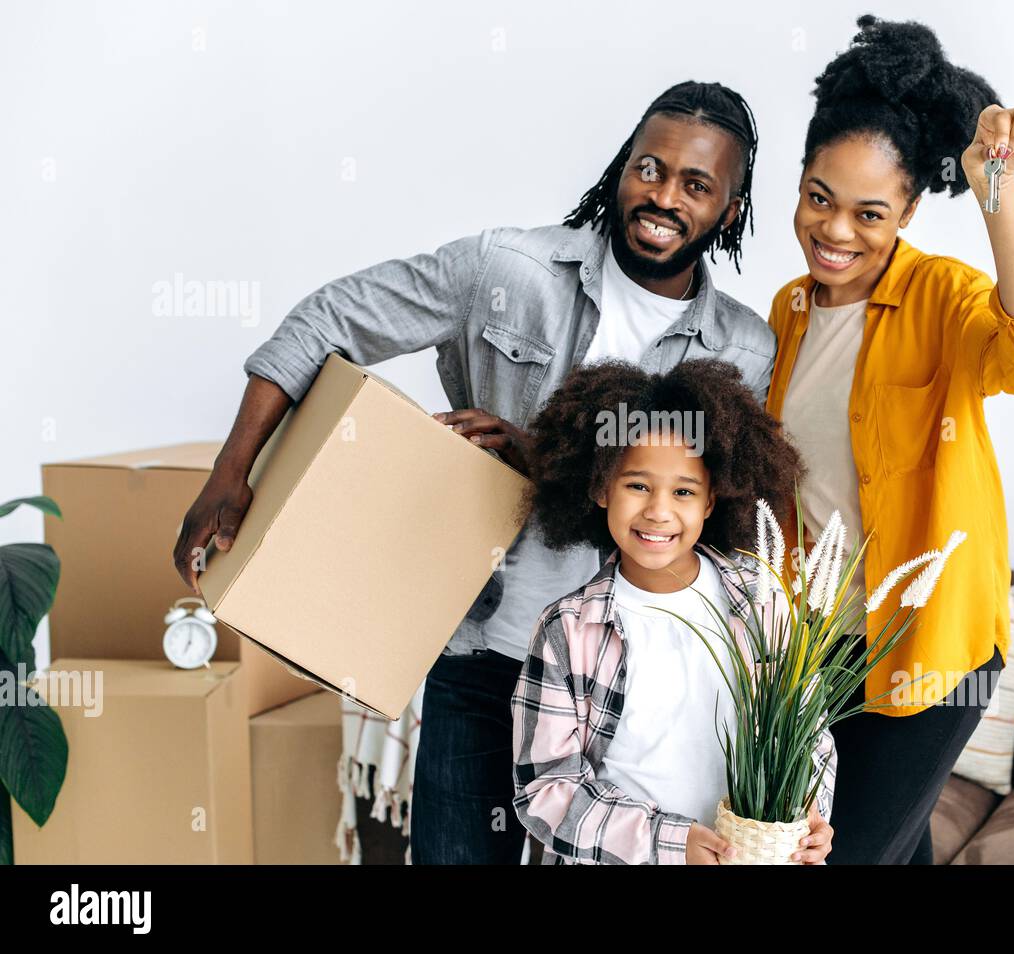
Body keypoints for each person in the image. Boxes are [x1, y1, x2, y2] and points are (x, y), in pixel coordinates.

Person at [171, 81, 777, 864]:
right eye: (649, 169)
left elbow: (701, 517)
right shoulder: (507, 269)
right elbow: (329, 319)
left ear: (729, 210)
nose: (663, 196)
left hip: (628, 676)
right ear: (621, 169)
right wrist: (231, 470)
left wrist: (547, 454)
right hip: (483, 651)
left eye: (697, 184)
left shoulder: (742, 349)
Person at [764, 14, 1014, 863]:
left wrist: (996, 190)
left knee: (850, 853)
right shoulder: (786, 313)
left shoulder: (940, 295)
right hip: (820, 649)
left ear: (905, 210)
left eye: (870, 213)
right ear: (799, 182)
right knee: (884, 849)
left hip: (934, 645)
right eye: (820, 199)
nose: (836, 231)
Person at [511, 358, 834, 864]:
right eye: (637, 485)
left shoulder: (760, 600)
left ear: (712, 501)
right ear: (599, 488)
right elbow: (547, 792)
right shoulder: (567, 630)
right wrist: (671, 842)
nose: (659, 511)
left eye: (684, 491)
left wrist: (810, 813)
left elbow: (808, 735)